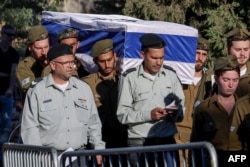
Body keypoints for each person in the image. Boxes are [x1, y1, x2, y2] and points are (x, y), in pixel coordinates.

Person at [21, 44, 104, 166]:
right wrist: (40, 157)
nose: (71, 66)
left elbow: (93, 122)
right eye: (65, 63)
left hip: (79, 157)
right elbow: (30, 127)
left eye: (72, 61)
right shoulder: (37, 90)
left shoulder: (83, 88)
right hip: (49, 158)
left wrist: (98, 148)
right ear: (53, 65)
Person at [117, 33, 185, 167]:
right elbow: (122, 114)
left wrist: (175, 112)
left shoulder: (171, 75)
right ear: (143, 54)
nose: (158, 62)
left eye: (161, 58)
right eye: (154, 58)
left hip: (166, 141)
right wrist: (149, 114)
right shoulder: (129, 78)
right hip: (139, 143)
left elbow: (181, 107)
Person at [190, 55, 249, 167]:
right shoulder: (204, 109)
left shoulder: (245, 106)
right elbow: (195, 146)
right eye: (226, 80)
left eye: (235, 80)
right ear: (216, 79)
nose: (231, 85)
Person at [174, 37, 211, 166]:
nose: (200, 57)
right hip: (175, 137)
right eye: (197, 53)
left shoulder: (209, 82)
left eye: (204, 54)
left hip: (197, 138)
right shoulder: (177, 78)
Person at [0, 24, 20, 166]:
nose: (12, 38)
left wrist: (10, 88)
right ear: (3, 35)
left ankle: (2, 159)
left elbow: (13, 73)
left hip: (6, 93)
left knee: (5, 129)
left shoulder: (14, 53)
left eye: (13, 36)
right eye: (9, 35)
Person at [16, 25, 49, 101]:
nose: (44, 52)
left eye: (46, 47)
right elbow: (32, 90)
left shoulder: (56, 60)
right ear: (30, 47)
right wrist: (48, 67)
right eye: (39, 48)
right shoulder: (23, 66)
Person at [225, 28, 250, 98]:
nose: (242, 54)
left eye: (246, 49)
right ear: (227, 50)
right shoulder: (212, 75)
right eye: (238, 49)